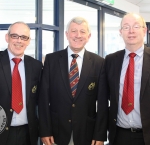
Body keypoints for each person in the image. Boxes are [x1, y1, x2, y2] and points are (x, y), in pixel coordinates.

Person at [38, 17, 108, 145]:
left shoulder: (99, 63)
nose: (78, 35)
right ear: (67, 34)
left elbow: (102, 103)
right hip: (56, 132)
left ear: (89, 36)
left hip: (87, 133)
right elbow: (43, 99)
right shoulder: (51, 60)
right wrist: (45, 130)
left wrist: (100, 134)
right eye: (74, 31)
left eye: (82, 31)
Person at [105, 13, 150, 145]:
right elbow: (106, 95)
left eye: (136, 26)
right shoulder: (111, 60)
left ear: (144, 30)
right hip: (119, 135)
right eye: (126, 27)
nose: (131, 31)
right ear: (120, 32)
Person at [0, 22, 43, 145]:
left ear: (28, 41)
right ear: (7, 37)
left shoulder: (36, 66)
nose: (19, 41)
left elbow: (41, 100)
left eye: (24, 37)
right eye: (15, 36)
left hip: (28, 133)